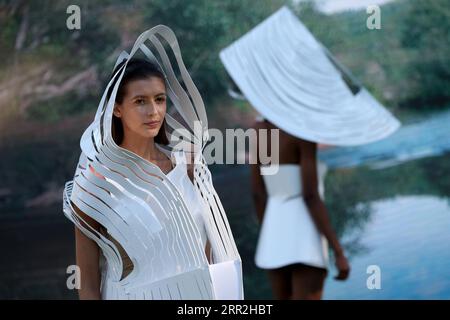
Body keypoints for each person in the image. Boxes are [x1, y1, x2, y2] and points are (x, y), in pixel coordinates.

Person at [62, 26, 243, 300]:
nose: (154, 111)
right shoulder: (95, 184)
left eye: (159, 99)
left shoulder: (188, 163)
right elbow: (87, 283)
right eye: (140, 101)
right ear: (117, 108)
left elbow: (208, 247)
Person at [251, 119, 350, 300]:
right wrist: (338, 251)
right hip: (304, 234)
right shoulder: (300, 130)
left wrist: (269, 233)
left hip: (273, 232)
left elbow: (258, 193)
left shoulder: (258, 130)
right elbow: (310, 196)